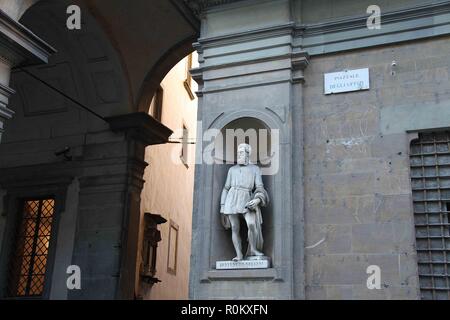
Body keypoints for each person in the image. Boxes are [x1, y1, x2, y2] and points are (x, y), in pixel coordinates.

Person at [220, 143, 269, 261]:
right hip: (231, 198)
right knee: (234, 227)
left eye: (241, 152)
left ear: (248, 154)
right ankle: (239, 255)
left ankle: (253, 249)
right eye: (238, 152)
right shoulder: (232, 170)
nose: (239, 154)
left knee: (251, 224)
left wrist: (257, 199)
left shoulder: (255, 169)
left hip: (247, 198)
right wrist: (222, 205)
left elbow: (260, 187)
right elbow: (226, 188)